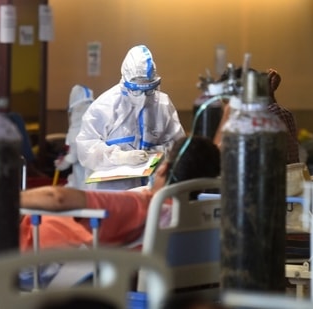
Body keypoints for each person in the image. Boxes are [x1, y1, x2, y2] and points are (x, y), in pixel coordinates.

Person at [19, 135, 220, 251]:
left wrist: (5, 198)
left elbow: (57, 197)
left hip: (33, 254)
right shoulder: (199, 215)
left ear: (162, 169)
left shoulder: (141, 204)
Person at [76, 44, 186, 190]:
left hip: (151, 188)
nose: (144, 98)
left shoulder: (162, 104)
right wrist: (119, 157)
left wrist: (158, 154)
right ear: (125, 82)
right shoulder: (105, 106)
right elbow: (86, 147)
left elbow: (178, 143)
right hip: (112, 192)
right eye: (137, 91)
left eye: (149, 91)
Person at [213, 67, 300, 164]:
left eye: (230, 102)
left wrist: (227, 113)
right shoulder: (277, 113)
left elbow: (216, 157)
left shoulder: (261, 119)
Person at [54, 84, 94, 189]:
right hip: (92, 177)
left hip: (85, 182)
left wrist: (65, 161)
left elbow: (76, 150)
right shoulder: (94, 110)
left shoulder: (79, 112)